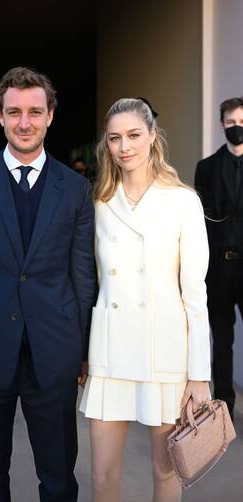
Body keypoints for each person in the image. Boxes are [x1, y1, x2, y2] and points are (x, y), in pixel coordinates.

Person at [0, 66, 96, 502]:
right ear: (0, 117)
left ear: (50, 116)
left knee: (61, 482)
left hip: (55, 355)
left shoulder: (77, 188)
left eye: (34, 112)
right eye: (14, 112)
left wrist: (83, 352)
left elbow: (83, 277)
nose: (24, 122)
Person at [79, 98, 211, 502]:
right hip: (110, 351)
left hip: (165, 352)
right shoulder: (97, 203)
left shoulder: (183, 200)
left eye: (134, 135)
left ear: (153, 136)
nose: (124, 147)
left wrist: (199, 374)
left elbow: (195, 293)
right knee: (102, 477)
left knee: (166, 471)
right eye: (115, 138)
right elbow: (87, 282)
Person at [195, 96, 243, 420]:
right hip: (221, 268)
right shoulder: (207, 168)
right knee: (221, 341)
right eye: (231, 122)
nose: (237, 127)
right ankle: (224, 408)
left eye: (241, 121)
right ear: (221, 125)